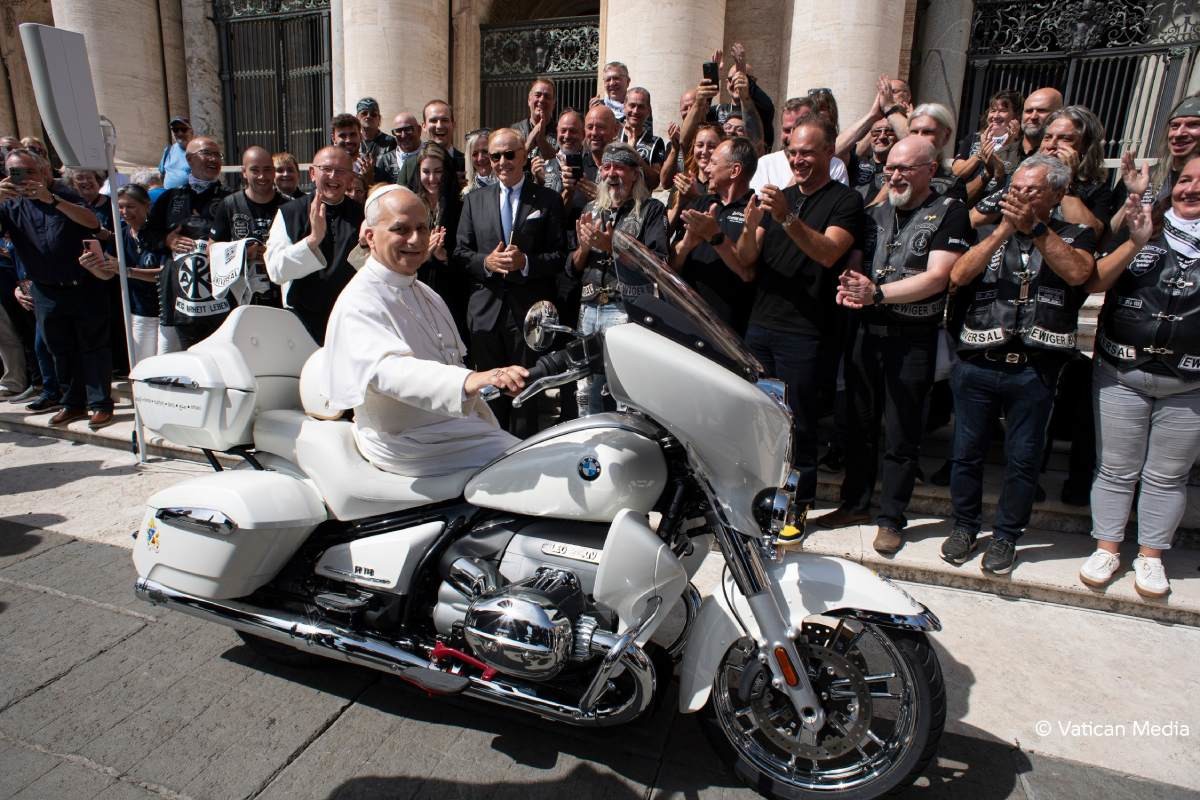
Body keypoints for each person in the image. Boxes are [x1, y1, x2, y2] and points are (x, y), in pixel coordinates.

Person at [941, 155, 1096, 574]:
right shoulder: (989, 230)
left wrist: (1037, 231)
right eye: (1016, 188)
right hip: (978, 360)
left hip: (1034, 367)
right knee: (967, 452)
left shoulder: (1075, 234)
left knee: (1024, 458)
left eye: (1032, 190)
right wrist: (1006, 230)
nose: (1020, 196)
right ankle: (964, 526)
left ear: (1057, 195)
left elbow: (1079, 273)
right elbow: (958, 276)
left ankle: (1007, 535)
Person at [822, 137, 973, 553]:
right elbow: (855, 262)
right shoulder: (874, 213)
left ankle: (891, 517)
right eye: (890, 168)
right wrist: (850, 286)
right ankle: (854, 504)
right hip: (865, 332)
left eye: (906, 168)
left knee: (903, 432)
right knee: (857, 423)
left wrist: (879, 295)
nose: (895, 175)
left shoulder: (949, 212)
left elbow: (939, 276)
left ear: (930, 169)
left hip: (912, 337)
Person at [320, 185, 523, 476]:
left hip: (448, 428)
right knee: (521, 467)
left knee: (538, 456)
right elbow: (390, 371)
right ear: (370, 237)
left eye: (422, 228)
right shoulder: (359, 300)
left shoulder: (424, 291)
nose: (415, 239)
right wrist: (470, 380)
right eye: (400, 229)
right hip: (403, 440)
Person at [1077, 155, 1200, 599]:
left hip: (1190, 385)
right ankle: (1107, 548)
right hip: (1121, 372)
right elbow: (1093, 282)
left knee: (1168, 475)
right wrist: (1136, 238)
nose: (1191, 189)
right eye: (1185, 180)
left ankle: (1151, 556)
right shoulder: (1142, 227)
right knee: (1115, 468)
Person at [737, 114, 864, 535]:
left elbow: (828, 253)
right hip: (762, 326)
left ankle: (796, 507)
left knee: (800, 423)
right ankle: (758, 498)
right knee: (759, 421)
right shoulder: (781, 198)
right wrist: (752, 226)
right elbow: (746, 262)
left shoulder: (845, 201)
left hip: (806, 331)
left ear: (830, 152)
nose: (798, 160)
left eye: (808, 152)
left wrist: (788, 218)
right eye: (792, 152)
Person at [453, 128, 566, 436]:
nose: (502, 162)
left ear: (524, 156)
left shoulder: (548, 199)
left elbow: (560, 256)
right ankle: (492, 452)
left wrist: (526, 262)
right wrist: (486, 262)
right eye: (495, 156)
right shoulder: (474, 201)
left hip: (528, 314)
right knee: (490, 393)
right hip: (486, 313)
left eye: (509, 154)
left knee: (525, 393)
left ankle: (523, 454)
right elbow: (461, 253)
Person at [0, 148, 109, 427]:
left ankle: (100, 403)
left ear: (46, 171)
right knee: (59, 349)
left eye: (29, 172)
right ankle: (72, 403)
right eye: (15, 173)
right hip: (45, 289)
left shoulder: (65, 194)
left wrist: (52, 199)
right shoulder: (9, 204)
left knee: (92, 346)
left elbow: (92, 222)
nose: (23, 180)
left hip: (83, 284)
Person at [568, 142, 668, 415]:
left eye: (620, 168)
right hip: (589, 309)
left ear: (635, 174)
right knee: (585, 392)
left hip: (625, 310)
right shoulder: (590, 208)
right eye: (607, 167)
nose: (612, 174)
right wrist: (585, 248)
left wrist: (613, 245)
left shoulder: (651, 210)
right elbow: (573, 266)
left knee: (626, 393)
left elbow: (658, 263)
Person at [266, 146, 365, 344]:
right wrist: (313, 240)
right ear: (312, 173)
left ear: (351, 178)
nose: (333, 176)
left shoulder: (363, 216)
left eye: (341, 171)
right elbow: (276, 270)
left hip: (350, 318)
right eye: (326, 169)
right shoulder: (290, 213)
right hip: (301, 321)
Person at [141, 136, 232, 351]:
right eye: (206, 153)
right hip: (182, 301)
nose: (213, 159)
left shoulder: (231, 198)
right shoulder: (170, 198)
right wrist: (167, 239)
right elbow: (146, 235)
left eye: (217, 155)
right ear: (189, 159)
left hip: (222, 301)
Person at [670, 136, 760, 334]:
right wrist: (686, 246)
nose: (707, 169)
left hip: (729, 331)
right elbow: (671, 267)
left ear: (735, 170)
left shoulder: (757, 211)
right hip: (687, 320)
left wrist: (715, 236)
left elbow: (748, 273)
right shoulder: (700, 204)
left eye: (713, 162)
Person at [78, 184, 162, 367]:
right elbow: (109, 275)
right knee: (143, 366)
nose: (125, 212)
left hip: (166, 311)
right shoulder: (121, 236)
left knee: (166, 364)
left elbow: (165, 274)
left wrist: (127, 271)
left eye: (130, 206)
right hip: (139, 311)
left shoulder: (162, 233)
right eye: (121, 207)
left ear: (146, 205)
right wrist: (92, 266)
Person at [210, 146, 289, 308]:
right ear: (244, 172)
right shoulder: (229, 205)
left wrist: (272, 254)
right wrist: (243, 254)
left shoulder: (290, 206)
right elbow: (211, 251)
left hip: (282, 299)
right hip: (241, 301)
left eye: (267, 170)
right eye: (255, 170)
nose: (262, 176)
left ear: (274, 172)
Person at [1113, 95, 1200, 232]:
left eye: (1193, 124)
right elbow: (1113, 232)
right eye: (1175, 126)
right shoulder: (1144, 177)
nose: (1179, 134)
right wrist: (1135, 196)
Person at [414, 142, 467, 337]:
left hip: (451, 294)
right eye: (426, 172)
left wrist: (443, 256)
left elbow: (466, 257)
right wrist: (425, 254)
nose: (432, 178)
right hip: (419, 290)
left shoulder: (460, 207)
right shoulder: (411, 206)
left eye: (438, 171)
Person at [952, 89, 1023, 204]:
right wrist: (981, 153)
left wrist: (1010, 143)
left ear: (1016, 116)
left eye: (1003, 111)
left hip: (997, 204)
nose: (995, 116)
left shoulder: (1021, 144)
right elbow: (957, 172)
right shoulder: (974, 138)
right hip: (966, 199)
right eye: (993, 111)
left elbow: (1006, 176)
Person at [707, 43, 775, 151]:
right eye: (731, 79)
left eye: (742, 77)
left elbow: (767, 105)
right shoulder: (718, 110)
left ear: (753, 82)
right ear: (726, 83)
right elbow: (699, 117)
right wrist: (711, 81)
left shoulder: (762, 110)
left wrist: (745, 81)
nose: (735, 82)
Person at [620, 87, 667, 190]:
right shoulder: (614, 134)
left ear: (648, 110)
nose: (635, 111)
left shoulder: (655, 142)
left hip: (642, 201)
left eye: (641, 107)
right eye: (632, 105)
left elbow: (654, 182)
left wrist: (634, 154)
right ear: (624, 107)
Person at [512, 77, 557, 160]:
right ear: (529, 100)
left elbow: (560, 163)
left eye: (547, 96)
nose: (542, 99)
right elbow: (509, 163)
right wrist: (529, 143)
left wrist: (541, 141)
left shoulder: (560, 132)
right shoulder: (515, 131)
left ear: (553, 103)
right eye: (538, 95)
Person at [375, 112, 423, 185]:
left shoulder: (431, 154)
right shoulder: (386, 161)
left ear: (419, 130)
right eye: (398, 131)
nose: (403, 135)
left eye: (408, 129)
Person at [423, 100, 466, 181]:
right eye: (433, 120)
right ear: (424, 126)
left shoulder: (467, 163)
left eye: (444, 120)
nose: (439, 126)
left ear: (453, 125)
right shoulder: (411, 164)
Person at [331, 113, 373, 180]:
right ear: (333, 138)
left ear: (360, 136)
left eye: (353, 135)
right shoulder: (327, 166)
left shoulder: (370, 166)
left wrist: (369, 178)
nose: (348, 140)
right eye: (343, 136)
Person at [159, 116, 193, 190]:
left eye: (183, 129)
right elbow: (162, 174)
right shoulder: (168, 150)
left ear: (191, 131)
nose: (180, 133)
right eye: (175, 130)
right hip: (169, 197)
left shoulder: (197, 150)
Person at [462, 128, 496, 196]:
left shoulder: (506, 186)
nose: (480, 158)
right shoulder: (466, 192)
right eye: (475, 154)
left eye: (485, 152)